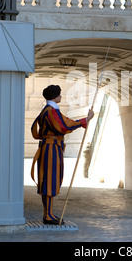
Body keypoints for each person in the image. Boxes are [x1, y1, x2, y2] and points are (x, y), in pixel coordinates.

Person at [31, 84, 94, 225]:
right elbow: (64, 126)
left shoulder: (48, 110)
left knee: (49, 180)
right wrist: (85, 120)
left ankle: (49, 213)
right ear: (54, 96)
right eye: (59, 94)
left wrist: (84, 120)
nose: (61, 96)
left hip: (51, 147)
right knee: (49, 181)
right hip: (51, 148)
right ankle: (48, 215)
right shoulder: (51, 111)